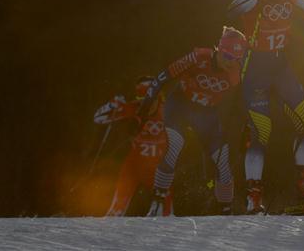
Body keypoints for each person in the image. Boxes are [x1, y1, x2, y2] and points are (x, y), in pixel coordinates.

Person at [227, 0, 304, 213]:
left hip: (281, 67)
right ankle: (254, 194)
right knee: (261, 133)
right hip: (255, 69)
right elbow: (233, 9)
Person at [140, 26, 247, 216]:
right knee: (175, 145)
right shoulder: (199, 57)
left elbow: (241, 102)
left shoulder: (235, 72)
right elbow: (163, 77)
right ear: (219, 50)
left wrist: (246, 126)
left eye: (237, 59)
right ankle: (156, 201)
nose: (232, 63)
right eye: (229, 57)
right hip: (180, 106)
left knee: (222, 161)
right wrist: (147, 103)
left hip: (206, 114)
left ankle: (225, 210)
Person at [94, 76, 173, 217]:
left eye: (151, 99)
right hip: (133, 167)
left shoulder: (168, 110)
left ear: (158, 97)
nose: (146, 104)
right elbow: (98, 118)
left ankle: (167, 238)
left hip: (158, 169)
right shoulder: (133, 108)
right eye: (141, 99)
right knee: (116, 209)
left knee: (165, 213)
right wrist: (111, 105)